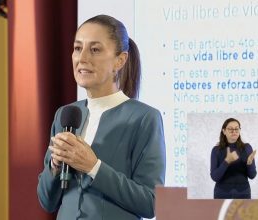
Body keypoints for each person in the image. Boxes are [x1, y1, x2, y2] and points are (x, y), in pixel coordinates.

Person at [37, 15, 166, 219]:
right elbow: (47, 201)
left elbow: (152, 203)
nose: (82, 58)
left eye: (95, 49)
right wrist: (54, 167)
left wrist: (93, 167)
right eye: (78, 48)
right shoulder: (66, 114)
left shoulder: (144, 118)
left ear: (120, 60)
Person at [210, 118, 257, 199]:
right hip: (221, 193)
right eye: (230, 129)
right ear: (224, 131)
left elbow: (252, 176)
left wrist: (249, 163)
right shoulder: (216, 150)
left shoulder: (247, 148)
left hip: (243, 193)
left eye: (236, 128)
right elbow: (214, 177)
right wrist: (226, 161)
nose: (234, 131)